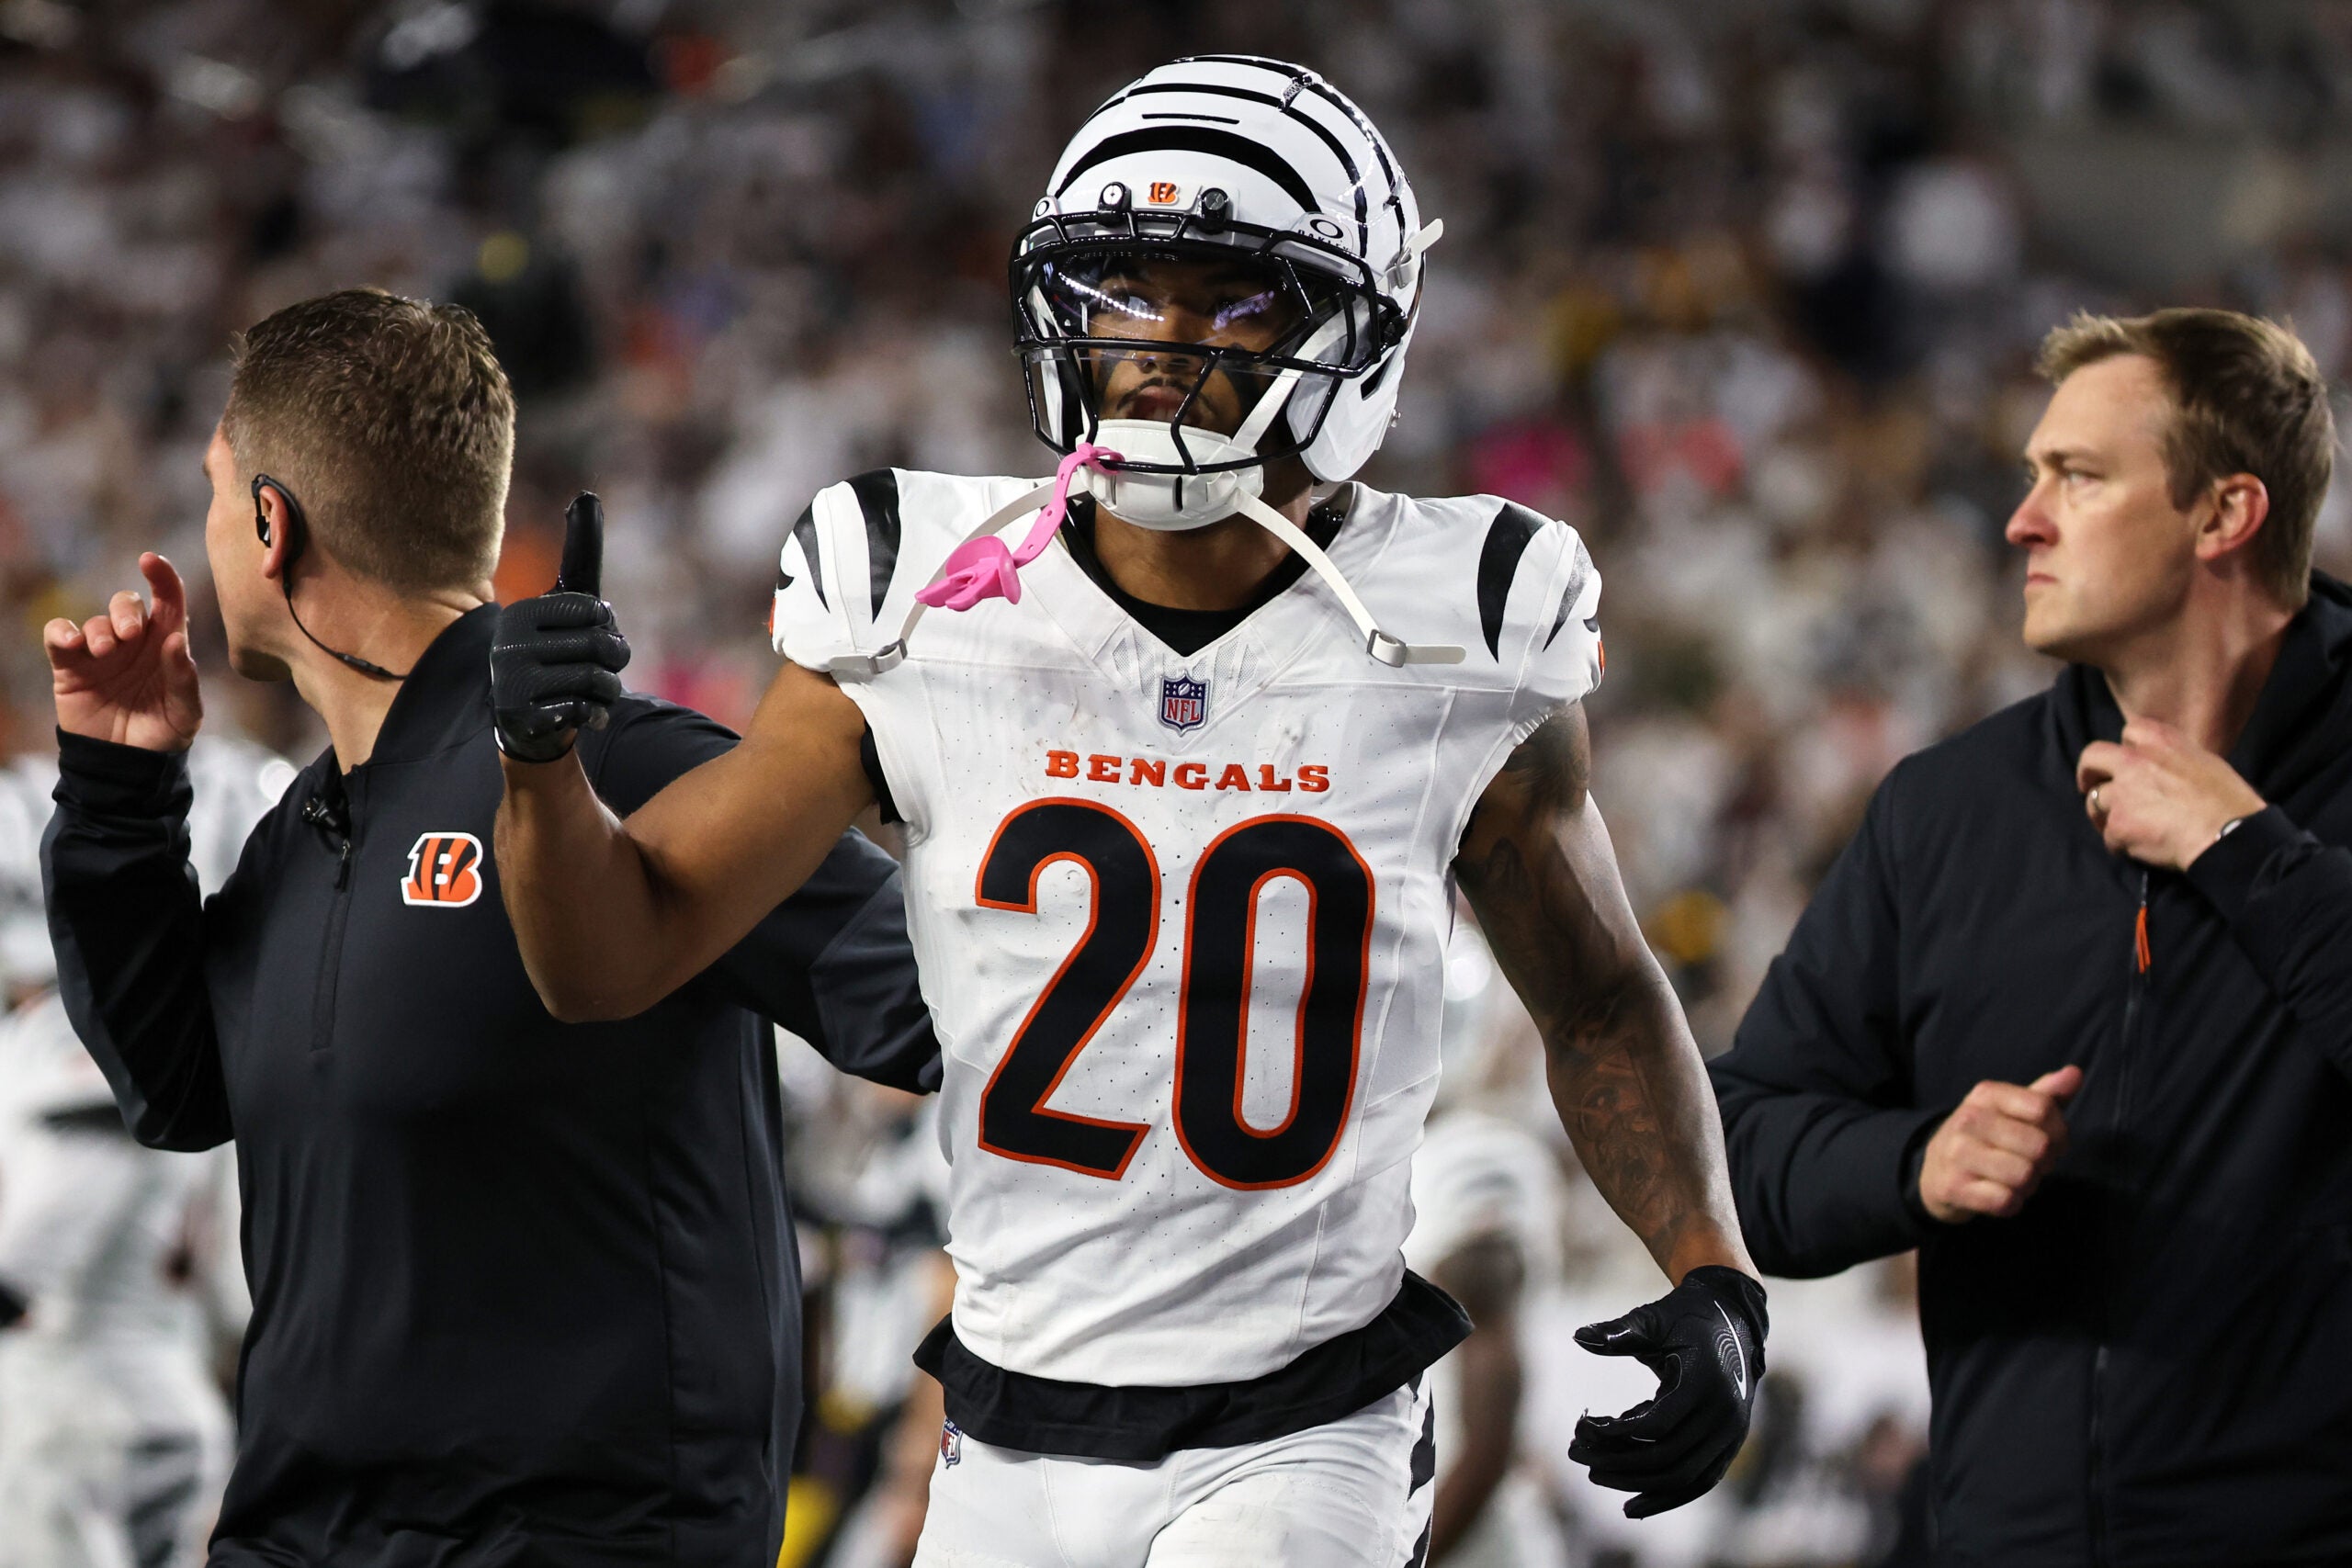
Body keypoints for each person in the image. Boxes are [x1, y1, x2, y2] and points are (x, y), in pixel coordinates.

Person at [491, 56, 1767, 1567]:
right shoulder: (918, 596)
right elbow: (613, 955)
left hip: (1308, 1416)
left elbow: (1602, 996)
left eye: (1230, 301)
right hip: (1006, 1410)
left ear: (1348, 335)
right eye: (1123, 292)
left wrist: (1712, 1266)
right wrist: (539, 769)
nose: (1161, 344)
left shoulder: (1460, 624)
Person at [40, 288, 939, 1566]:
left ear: (268, 522)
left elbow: (968, 1014)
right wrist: (120, 796)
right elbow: (178, 1087)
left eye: (211, 492)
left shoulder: (621, 768)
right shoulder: (310, 823)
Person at [1709, 307, 2352, 1566]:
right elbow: (1737, 1136)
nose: (2023, 519)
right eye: (2031, 475)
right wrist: (1915, 1161)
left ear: (2226, 515)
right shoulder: (1948, 810)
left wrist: (2248, 854)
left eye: (2080, 476)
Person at [0, 739, 271, 1568]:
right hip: (175, 1395)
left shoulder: (65, 1040)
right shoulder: (221, 1044)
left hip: (73, 1407)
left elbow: (40, 1240)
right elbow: (236, 1291)